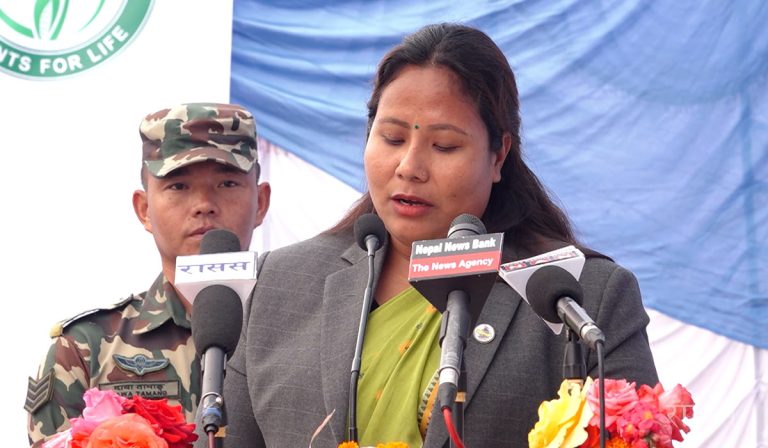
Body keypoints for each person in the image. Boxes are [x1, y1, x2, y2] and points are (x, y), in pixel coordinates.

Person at [220, 23, 658, 448]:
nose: (409, 167)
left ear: (498, 155)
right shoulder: (281, 284)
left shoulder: (581, 296)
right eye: (392, 138)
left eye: (444, 146)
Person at [25, 103, 271, 447]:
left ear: (261, 202)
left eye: (227, 183)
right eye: (178, 186)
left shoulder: (304, 329)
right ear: (144, 209)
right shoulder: (85, 347)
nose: (204, 204)